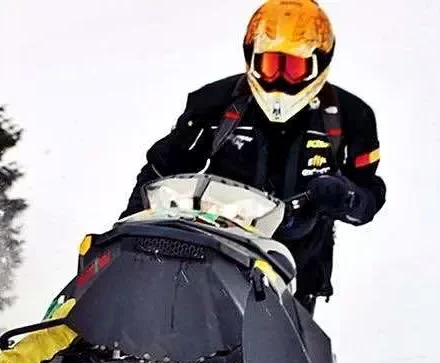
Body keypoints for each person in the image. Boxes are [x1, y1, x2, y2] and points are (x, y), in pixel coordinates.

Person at [122, 0, 384, 314]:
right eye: (271, 65)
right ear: (252, 59)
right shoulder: (215, 104)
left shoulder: (351, 117)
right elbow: (160, 171)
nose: (279, 81)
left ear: (320, 63)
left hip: (294, 273)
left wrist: (346, 196)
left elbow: (369, 193)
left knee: (283, 356)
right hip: (211, 256)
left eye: (294, 68)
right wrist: (128, 232)